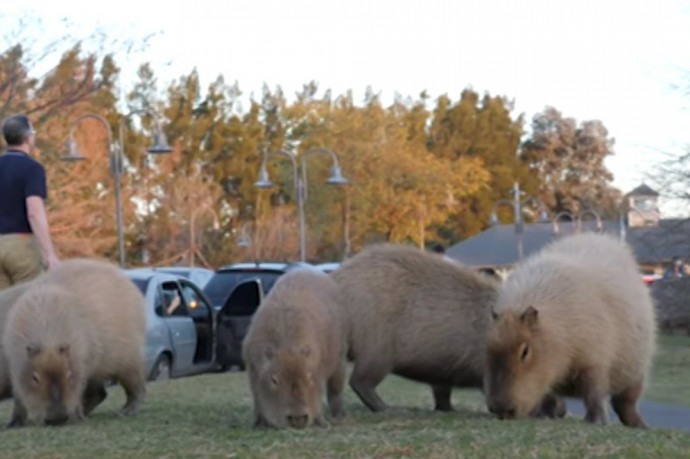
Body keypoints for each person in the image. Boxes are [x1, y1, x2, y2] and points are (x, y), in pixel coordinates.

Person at [0, 115, 60, 290]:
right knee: (30, 303)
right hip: (21, 245)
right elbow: (34, 211)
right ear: (28, 137)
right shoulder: (32, 169)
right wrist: (50, 254)